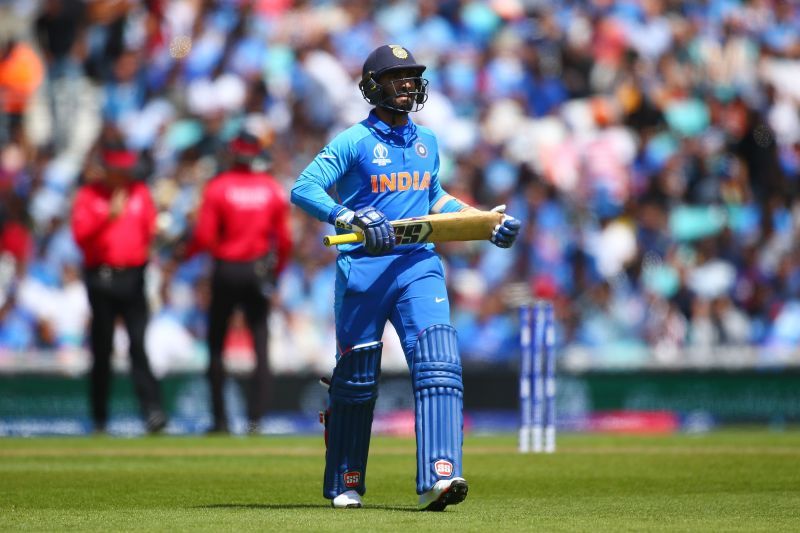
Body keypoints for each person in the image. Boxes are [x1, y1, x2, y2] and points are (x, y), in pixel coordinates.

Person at [291, 44, 521, 510]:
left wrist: (484, 221)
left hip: (418, 263)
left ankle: (442, 474)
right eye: (398, 78)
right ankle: (345, 480)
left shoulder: (428, 141)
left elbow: (434, 199)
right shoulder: (353, 141)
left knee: (439, 362)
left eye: (413, 77)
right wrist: (347, 216)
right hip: (364, 267)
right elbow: (303, 187)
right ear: (373, 86)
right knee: (356, 380)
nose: (409, 85)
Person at [180, 130, 292, 434]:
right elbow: (283, 241)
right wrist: (275, 273)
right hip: (257, 270)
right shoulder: (271, 189)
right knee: (260, 342)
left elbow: (203, 236)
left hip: (227, 269)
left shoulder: (218, 188)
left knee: (216, 344)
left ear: (232, 154)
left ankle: (220, 420)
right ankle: (256, 420)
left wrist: (206, 256)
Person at [71, 142, 167, 434]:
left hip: (134, 277)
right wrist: (107, 216)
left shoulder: (140, 192)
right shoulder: (89, 196)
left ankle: (152, 412)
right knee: (102, 348)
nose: (125, 175)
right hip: (101, 277)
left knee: (138, 346)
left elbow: (149, 230)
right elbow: (80, 237)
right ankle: (100, 417)